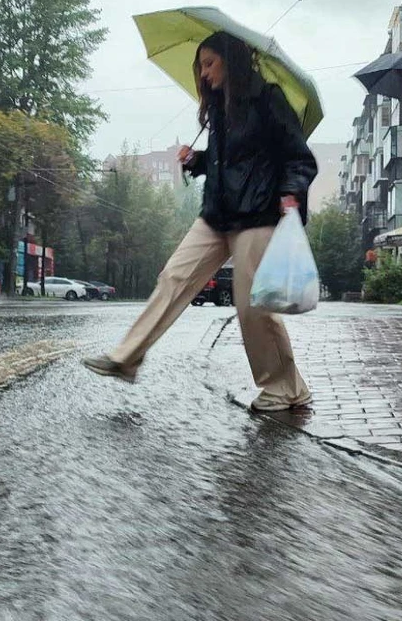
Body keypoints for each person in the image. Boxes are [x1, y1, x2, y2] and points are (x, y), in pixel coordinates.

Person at [82, 31, 317, 411]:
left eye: (209, 63)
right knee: (174, 277)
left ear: (232, 60)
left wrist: (290, 190)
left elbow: (299, 158)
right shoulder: (220, 109)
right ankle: (127, 357)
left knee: (252, 305)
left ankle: (285, 387)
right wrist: (198, 160)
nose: (203, 73)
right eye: (200, 66)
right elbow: (231, 163)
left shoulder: (267, 99)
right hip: (217, 213)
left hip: (257, 213)